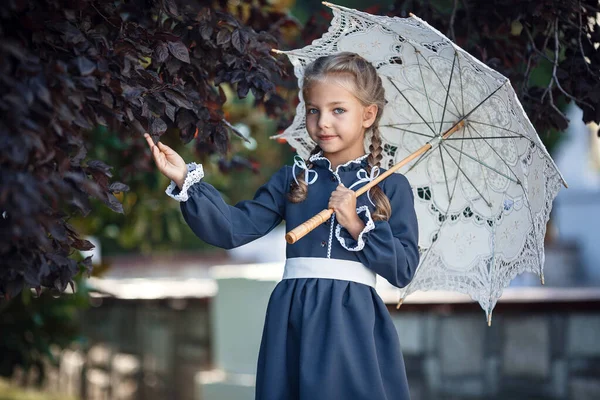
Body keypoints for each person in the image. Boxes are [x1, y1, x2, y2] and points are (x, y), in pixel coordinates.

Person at [144, 52, 420, 400]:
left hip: (353, 322)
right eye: (314, 109)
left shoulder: (391, 187)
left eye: (338, 110)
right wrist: (186, 180)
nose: (323, 122)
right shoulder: (293, 179)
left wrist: (356, 222)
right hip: (294, 314)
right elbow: (233, 228)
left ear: (368, 114)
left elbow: (403, 269)